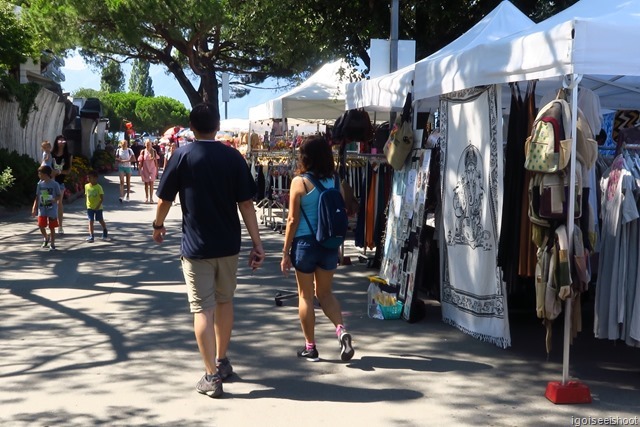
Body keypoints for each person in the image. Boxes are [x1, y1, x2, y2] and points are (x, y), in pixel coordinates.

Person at [152, 102, 265, 398]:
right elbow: (246, 204)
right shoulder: (232, 157)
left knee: (203, 308)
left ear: (192, 127)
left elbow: (164, 198)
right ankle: (222, 360)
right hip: (228, 244)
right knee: (225, 302)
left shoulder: (182, 155)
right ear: (217, 126)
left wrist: (158, 224)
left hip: (196, 246)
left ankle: (212, 376)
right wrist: (257, 242)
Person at [280, 135, 355, 363]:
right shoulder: (335, 180)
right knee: (325, 293)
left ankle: (310, 347)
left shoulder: (299, 182)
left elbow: (292, 219)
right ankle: (341, 330)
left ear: (305, 157)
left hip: (305, 244)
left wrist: (285, 252)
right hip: (328, 244)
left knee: (305, 296)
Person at [31, 165, 61, 251]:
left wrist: (54, 200)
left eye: (40, 174)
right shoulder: (39, 184)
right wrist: (34, 207)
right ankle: (46, 237)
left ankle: (52, 243)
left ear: (46, 174)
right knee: (41, 225)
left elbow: (59, 196)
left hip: (52, 208)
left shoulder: (55, 184)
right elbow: (37, 196)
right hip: (42, 208)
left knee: (52, 226)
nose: (39, 175)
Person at [51, 135, 73, 234]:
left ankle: (60, 226)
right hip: (50, 182)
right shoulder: (51, 154)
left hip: (60, 183)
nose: (61, 141)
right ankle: (50, 224)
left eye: (63, 140)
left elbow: (68, 170)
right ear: (56, 142)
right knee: (49, 203)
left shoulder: (68, 155)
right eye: (59, 139)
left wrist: (59, 172)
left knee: (59, 203)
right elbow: (46, 165)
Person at [84, 170, 108, 242]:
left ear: (95, 178)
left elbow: (101, 198)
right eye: (88, 177)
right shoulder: (86, 186)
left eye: (90, 177)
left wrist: (98, 206)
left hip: (98, 207)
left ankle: (104, 229)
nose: (89, 179)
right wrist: (87, 204)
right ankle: (91, 236)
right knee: (90, 221)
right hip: (90, 207)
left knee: (100, 220)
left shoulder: (99, 187)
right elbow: (86, 196)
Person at [139, 138, 159, 204]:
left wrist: (157, 171)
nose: (148, 145)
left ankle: (151, 198)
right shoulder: (143, 151)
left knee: (151, 183)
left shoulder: (154, 151)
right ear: (145, 144)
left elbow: (156, 162)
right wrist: (139, 169)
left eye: (149, 144)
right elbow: (140, 161)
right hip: (145, 168)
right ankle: (146, 197)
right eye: (147, 144)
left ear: (151, 144)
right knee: (146, 183)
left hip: (152, 168)